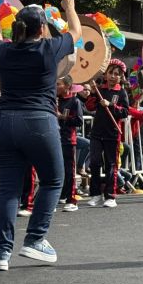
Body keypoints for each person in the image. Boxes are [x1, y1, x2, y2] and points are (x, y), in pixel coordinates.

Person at [0, 0, 79, 271]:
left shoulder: (3, 51)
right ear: (41, 28)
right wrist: (69, 8)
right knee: (53, 180)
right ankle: (35, 239)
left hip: (4, 122)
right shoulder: (48, 48)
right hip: (38, 120)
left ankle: (1, 254)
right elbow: (75, 32)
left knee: (8, 189)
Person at [85, 60, 129, 208]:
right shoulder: (99, 89)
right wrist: (92, 94)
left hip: (112, 133)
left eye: (116, 74)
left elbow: (124, 112)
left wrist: (111, 105)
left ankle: (110, 195)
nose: (113, 76)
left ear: (121, 77)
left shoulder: (122, 92)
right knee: (95, 163)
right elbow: (90, 107)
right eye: (110, 73)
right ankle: (95, 194)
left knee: (111, 165)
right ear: (105, 74)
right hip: (97, 133)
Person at [56, 75, 83, 211]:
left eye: (58, 84)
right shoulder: (54, 100)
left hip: (67, 140)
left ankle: (72, 199)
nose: (56, 87)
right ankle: (59, 195)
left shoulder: (74, 101)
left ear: (67, 86)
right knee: (55, 170)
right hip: (54, 139)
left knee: (69, 170)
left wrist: (62, 117)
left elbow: (79, 121)